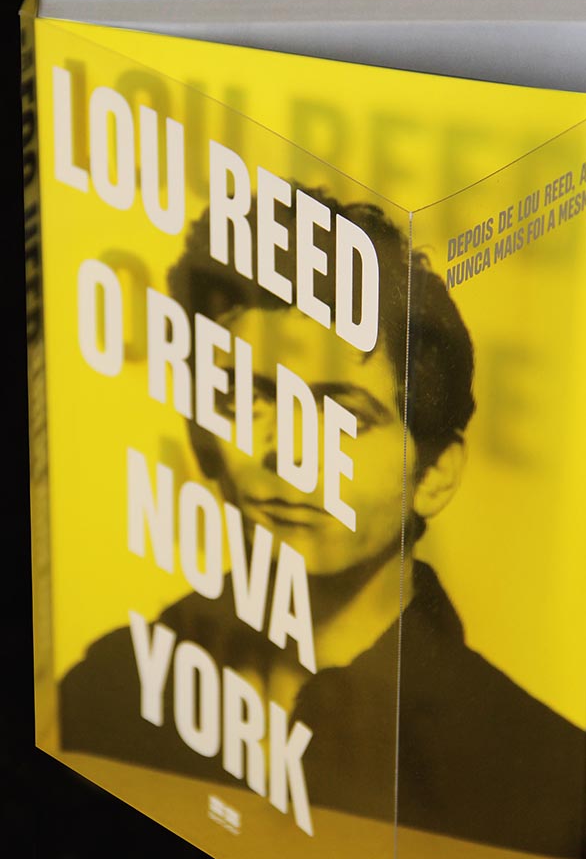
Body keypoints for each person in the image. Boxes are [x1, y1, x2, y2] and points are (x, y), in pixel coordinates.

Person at [60, 191, 585, 858]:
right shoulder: (108, 691)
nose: (290, 453)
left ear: (434, 475)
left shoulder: (541, 778)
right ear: (202, 438)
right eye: (247, 400)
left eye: (345, 417)